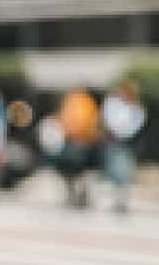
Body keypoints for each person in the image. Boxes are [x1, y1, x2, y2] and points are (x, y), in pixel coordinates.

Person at [41, 88, 100, 209]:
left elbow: (84, 123)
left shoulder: (83, 102)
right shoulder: (79, 102)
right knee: (72, 170)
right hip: (75, 141)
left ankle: (77, 194)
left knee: (75, 170)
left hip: (79, 141)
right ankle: (75, 194)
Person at [100, 80, 146, 214]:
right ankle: (117, 200)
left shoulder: (136, 108)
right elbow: (108, 120)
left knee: (124, 173)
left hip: (127, 143)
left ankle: (122, 200)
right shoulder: (113, 104)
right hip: (114, 142)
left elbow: (134, 125)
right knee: (115, 172)